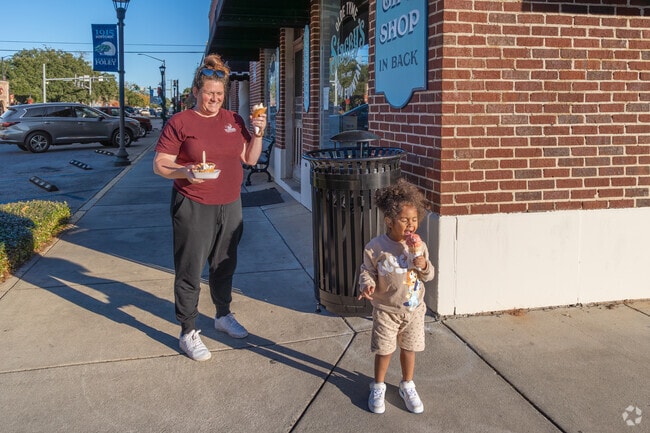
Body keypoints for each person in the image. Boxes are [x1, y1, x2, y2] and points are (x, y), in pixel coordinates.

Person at [153, 53, 267, 361]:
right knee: (190, 268)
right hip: (193, 203)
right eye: (208, 93)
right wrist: (185, 172)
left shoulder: (234, 120)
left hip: (230, 203)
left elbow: (250, 158)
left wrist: (258, 134)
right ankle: (187, 330)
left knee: (224, 264)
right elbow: (160, 164)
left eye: (219, 94)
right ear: (195, 91)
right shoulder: (180, 122)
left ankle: (222, 315)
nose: (214, 99)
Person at [357, 179, 435, 414]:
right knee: (384, 350)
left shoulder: (419, 247)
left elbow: (428, 275)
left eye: (414, 220)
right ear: (389, 221)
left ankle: (407, 384)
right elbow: (366, 270)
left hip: (413, 310)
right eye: (404, 220)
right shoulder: (376, 247)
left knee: (409, 350)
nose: (411, 225)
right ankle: (378, 385)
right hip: (386, 311)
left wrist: (423, 264)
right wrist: (367, 284)